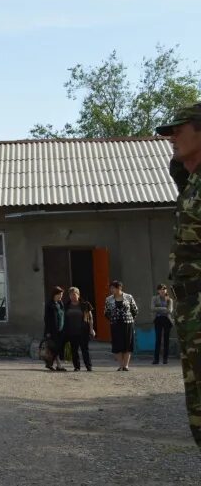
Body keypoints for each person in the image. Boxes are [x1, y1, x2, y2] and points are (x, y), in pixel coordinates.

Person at [156, 102, 201, 451]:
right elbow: (178, 171)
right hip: (190, 312)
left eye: (179, 129)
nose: (171, 137)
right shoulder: (190, 182)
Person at [104, 280, 138, 371]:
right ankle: (121, 364)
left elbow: (135, 310)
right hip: (115, 324)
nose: (111, 290)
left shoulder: (129, 297)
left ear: (119, 288)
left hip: (127, 323)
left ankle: (126, 365)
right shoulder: (108, 299)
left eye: (113, 288)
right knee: (117, 344)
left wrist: (130, 318)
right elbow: (106, 312)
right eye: (111, 288)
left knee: (127, 344)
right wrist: (113, 318)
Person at [63, 287, 94, 372]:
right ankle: (77, 367)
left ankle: (88, 366)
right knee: (74, 350)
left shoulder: (85, 304)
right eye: (70, 294)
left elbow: (90, 318)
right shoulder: (66, 305)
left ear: (78, 294)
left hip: (83, 331)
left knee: (85, 349)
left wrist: (92, 329)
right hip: (71, 331)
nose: (72, 296)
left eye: (74, 294)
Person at [43, 286, 67, 372]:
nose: (61, 296)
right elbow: (46, 319)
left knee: (57, 348)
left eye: (62, 294)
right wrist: (48, 331)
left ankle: (52, 364)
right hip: (52, 330)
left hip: (61, 330)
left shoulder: (61, 304)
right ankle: (58, 365)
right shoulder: (50, 304)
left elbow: (63, 316)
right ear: (55, 294)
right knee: (54, 348)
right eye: (60, 294)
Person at [152, 284, 174, 365]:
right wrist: (164, 308)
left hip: (167, 320)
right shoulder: (154, 298)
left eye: (164, 289)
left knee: (166, 340)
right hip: (158, 319)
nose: (162, 290)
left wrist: (159, 309)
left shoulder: (169, 300)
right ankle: (156, 359)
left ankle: (165, 359)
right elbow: (152, 308)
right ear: (158, 291)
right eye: (161, 289)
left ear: (166, 290)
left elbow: (170, 311)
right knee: (158, 339)